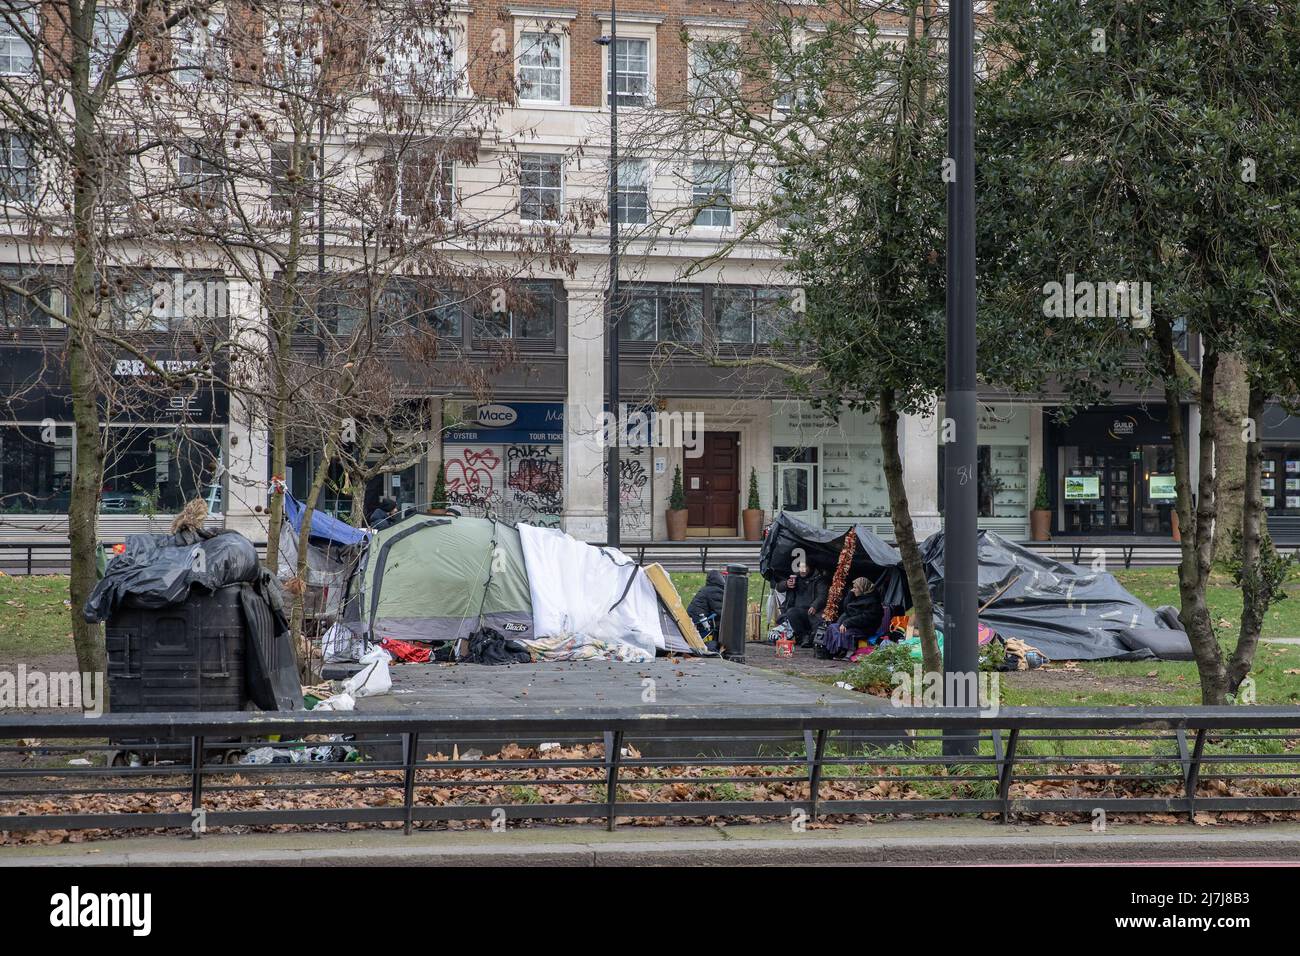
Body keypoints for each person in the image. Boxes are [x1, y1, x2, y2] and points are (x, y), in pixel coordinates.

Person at [776, 564, 828, 648]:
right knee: (791, 613)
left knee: (818, 622)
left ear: (810, 568)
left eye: (805, 567)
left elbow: (822, 595)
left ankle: (813, 640)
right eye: (800, 567)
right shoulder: (795, 578)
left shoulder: (819, 579)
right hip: (797, 610)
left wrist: (815, 606)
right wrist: (786, 584)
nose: (802, 570)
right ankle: (803, 637)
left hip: (813, 611)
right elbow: (778, 587)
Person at [686, 570, 727, 641]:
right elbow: (721, 613)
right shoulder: (715, 591)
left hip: (692, 622)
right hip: (701, 625)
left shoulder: (706, 589)